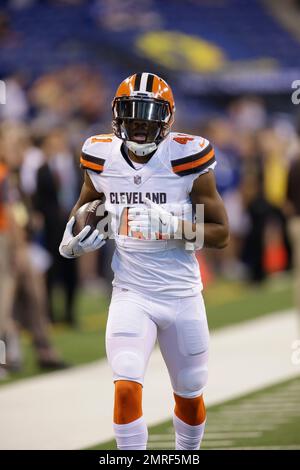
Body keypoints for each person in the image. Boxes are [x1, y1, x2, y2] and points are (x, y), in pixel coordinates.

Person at [59, 73, 229, 450]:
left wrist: (174, 227)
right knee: (125, 387)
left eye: (146, 116)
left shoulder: (188, 155)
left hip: (182, 295)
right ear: (117, 115)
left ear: (166, 119)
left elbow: (220, 233)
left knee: (189, 394)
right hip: (131, 292)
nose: (137, 125)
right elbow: (87, 204)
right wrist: (73, 237)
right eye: (131, 115)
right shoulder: (98, 153)